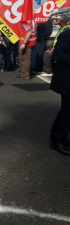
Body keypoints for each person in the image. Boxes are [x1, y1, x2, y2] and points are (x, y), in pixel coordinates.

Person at [49, 16, 70, 155]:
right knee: (68, 111)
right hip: (66, 79)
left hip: (66, 78)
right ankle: (58, 140)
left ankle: (57, 136)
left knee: (66, 110)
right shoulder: (67, 34)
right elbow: (58, 55)